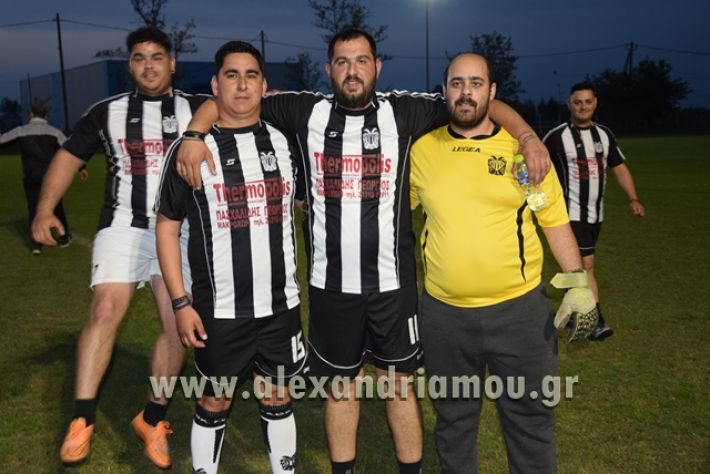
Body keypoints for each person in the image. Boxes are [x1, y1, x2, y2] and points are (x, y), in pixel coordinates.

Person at [175, 28, 551, 473]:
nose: (352, 70)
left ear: (377, 66)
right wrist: (194, 133)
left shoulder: (404, 111)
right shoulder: (304, 110)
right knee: (341, 386)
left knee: (399, 385)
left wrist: (527, 136)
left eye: (361, 61)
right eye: (342, 61)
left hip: (393, 286)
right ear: (329, 69)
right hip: (332, 286)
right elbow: (231, 99)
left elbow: (476, 101)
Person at [410, 52, 596, 474]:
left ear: (492, 92)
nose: (466, 93)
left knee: (531, 419)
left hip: (519, 314)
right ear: (444, 91)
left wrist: (578, 282)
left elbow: (553, 220)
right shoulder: (422, 150)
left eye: (476, 83)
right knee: (453, 421)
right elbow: (393, 212)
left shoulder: (524, 153)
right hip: (444, 316)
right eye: (457, 83)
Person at [31, 26, 208, 468]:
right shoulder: (106, 112)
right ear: (130, 65)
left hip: (179, 230)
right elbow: (68, 157)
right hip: (123, 225)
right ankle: (82, 418)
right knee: (105, 310)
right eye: (139, 58)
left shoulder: (196, 109)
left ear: (172, 63)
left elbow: (235, 114)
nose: (148, 66)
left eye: (156, 57)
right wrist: (45, 209)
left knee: (178, 325)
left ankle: (152, 419)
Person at [155, 40, 305, 474]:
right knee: (215, 397)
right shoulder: (190, 150)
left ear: (264, 86)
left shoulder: (285, 142)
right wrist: (180, 303)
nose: (242, 85)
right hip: (219, 309)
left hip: (280, 305)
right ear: (215, 85)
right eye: (232, 75)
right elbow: (166, 227)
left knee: (277, 394)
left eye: (251, 75)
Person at [543, 81, 645, 341]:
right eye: (577, 102)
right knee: (586, 265)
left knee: (577, 266)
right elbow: (536, 165)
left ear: (595, 103)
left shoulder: (604, 135)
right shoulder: (556, 137)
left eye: (588, 102)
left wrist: (633, 198)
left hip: (595, 214)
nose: (583, 107)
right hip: (569, 214)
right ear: (569, 104)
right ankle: (595, 319)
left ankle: (573, 310)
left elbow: (619, 168)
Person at [0, 104, 86, 254]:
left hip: (31, 176)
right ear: (46, 116)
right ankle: (64, 238)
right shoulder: (55, 132)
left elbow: (2, 140)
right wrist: (81, 168)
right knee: (56, 206)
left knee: (34, 208)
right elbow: (71, 150)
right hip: (52, 177)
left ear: (31, 115)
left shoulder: (20, 131)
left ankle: (36, 244)